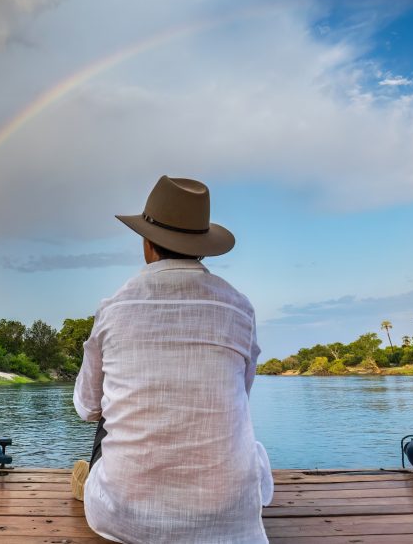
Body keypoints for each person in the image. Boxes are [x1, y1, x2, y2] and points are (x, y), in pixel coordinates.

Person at [72, 176, 273, 544]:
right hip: (226, 512)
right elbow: (242, 394)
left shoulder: (114, 308)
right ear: (203, 246)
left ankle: (92, 480)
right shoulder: (239, 308)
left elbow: (86, 407)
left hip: (126, 517)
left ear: (147, 245)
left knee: (106, 414)